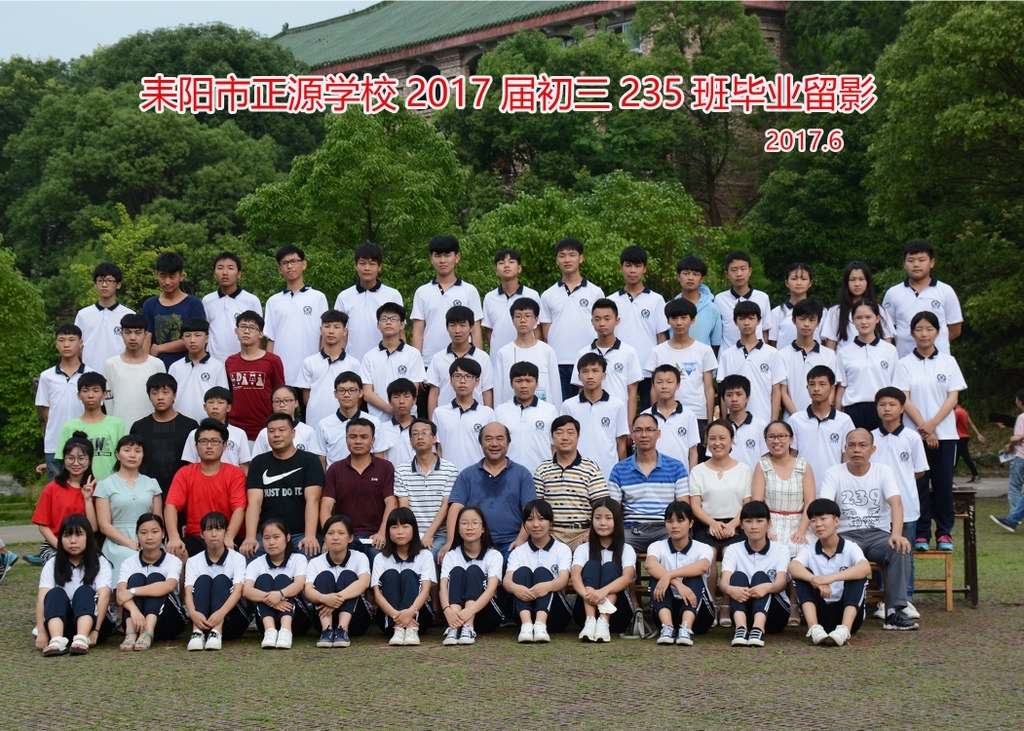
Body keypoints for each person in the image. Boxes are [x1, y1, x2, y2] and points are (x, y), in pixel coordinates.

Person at [819, 429, 919, 631]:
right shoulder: (834, 472)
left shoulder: (883, 471)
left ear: (873, 449)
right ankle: (833, 609)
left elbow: (896, 504)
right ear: (845, 448)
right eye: (852, 445)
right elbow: (825, 507)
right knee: (831, 551)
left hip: (877, 534)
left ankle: (894, 611)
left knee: (900, 548)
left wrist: (896, 534)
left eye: (862, 445)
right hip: (845, 535)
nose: (857, 450)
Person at [895, 311, 967, 552]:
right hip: (913, 436)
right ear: (911, 333)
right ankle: (921, 533)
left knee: (943, 485)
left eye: (929, 329)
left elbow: (952, 398)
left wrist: (933, 425)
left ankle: (944, 532)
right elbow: (904, 398)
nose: (924, 334)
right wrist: (925, 430)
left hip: (945, 434)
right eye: (919, 329)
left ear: (938, 332)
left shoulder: (948, 362)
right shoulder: (904, 364)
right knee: (919, 485)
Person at [689, 419, 753, 625]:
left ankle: (726, 604)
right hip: (706, 524)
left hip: (736, 524)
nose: (717, 443)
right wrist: (712, 524)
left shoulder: (744, 470)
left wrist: (733, 525)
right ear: (706, 441)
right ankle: (709, 603)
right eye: (712, 438)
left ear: (732, 440)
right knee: (708, 555)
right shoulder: (698, 470)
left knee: (730, 554)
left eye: (722, 438)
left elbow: (747, 504)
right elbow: (695, 505)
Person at [444, 422, 536, 560]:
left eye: (500, 438)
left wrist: (521, 540)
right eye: (488, 439)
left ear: (508, 443)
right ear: (481, 443)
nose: (494, 444)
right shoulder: (467, 475)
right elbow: (455, 508)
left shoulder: (522, 474)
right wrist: (451, 541)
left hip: (511, 542)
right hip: (475, 543)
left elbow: (529, 512)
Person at [872, 387, 927, 620]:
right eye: (882, 404)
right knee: (881, 555)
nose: (887, 409)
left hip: (907, 506)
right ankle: (884, 599)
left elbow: (919, 470)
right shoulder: (871, 437)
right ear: (876, 407)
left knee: (906, 553)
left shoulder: (912, 437)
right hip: (878, 508)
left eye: (892, 404)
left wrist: (898, 485)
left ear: (902, 408)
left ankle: (906, 599)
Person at [789, 498, 871, 646]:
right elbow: (793, 567)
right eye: (813, 520)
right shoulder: (809, 549)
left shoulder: (850, 547)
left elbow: (865, 568)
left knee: (857, 576)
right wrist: (816, 581)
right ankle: (814, 628)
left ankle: (844, 630)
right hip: (821, 612)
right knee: (802, 576)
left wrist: (829, 579)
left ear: (836, 521)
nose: (818, 524)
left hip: (846, 612)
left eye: (823, 519)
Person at [242, 412, 324, 559]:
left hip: (301, 534)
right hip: (269, 536)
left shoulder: (309, 461)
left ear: (293, 433)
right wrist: (250, 537)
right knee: (249, 555)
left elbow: (313, 500)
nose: (276, 435)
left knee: (311, 554)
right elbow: (254, 502)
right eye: (271, 431)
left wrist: (310, 536)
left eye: (282, 430)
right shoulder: (259, 463)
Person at [608, 412, 690, 554]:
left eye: (649, 430)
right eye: (638, 430)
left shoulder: (676, 467)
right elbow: (613, 509)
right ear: (632, 435)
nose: (644, 435)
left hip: (666, 528)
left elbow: (683, 506)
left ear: (658, 434)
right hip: (632, 530)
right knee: (613, 549)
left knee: (679, 548)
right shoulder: (619, 469)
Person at [165, 419, 248, 559]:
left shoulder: (235, 473)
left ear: (225, 445)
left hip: (228, 535)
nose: (209, 446)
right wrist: (173, 537)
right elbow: (171, 506)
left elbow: (239, 508)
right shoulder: (185, 473)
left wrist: (228, 537)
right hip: (196, 537)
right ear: (196, 446)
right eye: (203, 442)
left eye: (215, 441)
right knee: (178, 553)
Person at [320, 417, 396, 564]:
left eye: (364, 437)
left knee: (382, 564)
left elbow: (391, 502)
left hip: (376, 537)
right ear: (346, 439)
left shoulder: (385, 467)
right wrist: (329, 536)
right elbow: (325, 506)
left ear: (373, 440)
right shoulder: (335, 469)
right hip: (345, 537)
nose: (358, 441)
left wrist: (382, 532)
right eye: (353, 437)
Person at [35, 515, 113, 656]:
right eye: (67, 536)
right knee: (55, 593)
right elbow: (42, 598)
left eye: (79, 535)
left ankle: (81, 638)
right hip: (64, 623)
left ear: (88, 537)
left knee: (84, 591)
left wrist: (95, 630)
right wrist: (41, 631)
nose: (73, 541)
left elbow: (104, 596)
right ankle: (56, 641)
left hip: (94, 624)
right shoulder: (53, 563)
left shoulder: (100, 562)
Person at [540, 237, 605, 400]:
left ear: (581, 258)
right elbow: (546, 332)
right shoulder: (548, 295)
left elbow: (601, 325)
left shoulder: (595, 292)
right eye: (562, 255)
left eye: (572, 255)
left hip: (588, 362)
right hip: (558, 362)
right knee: (561, 407)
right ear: (557, 260)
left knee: (586, 406)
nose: (567, 259)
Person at [720, 501, 791, 647]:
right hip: (745, 612)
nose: (754, 526)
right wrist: (731, 590)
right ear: (741, 525)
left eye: (759, 521)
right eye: (748, 521)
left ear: (769, 523)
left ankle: (758, 628)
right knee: (737, 576)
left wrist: (767, 587)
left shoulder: (781, 550)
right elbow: (724, 582)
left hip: (775, 616)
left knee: (760, 577)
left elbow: (781, 583)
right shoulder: (733, 549)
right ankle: (740, 629)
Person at [411, 234, 483, 378]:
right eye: (437, 255)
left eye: (447, 255)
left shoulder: (469, 291)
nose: (442, 260)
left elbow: (475, 331)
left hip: (465, 364)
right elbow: (418, 332)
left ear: (457, 257)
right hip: (429, 363)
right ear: (431, 258)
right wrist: (417, 369)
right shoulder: (422, 292)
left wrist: (478, 363)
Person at [645, 299, 716, 444]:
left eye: (684, 318)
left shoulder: (704, 351)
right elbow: (653, 388)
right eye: (674, 318)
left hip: (697, 415)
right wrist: (654, 417)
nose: (679, 323)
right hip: (665, 415)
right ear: (668, 321)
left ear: (693, 320)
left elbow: (709, 388)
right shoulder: (658, 351)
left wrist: (710, 423)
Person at [533, 415, 609, 549]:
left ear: (578, 437)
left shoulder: (590, 468)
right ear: (552, 437)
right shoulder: (543, 469)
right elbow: (536, 506)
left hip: (582, 534)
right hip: (551, 534)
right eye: (559, 433)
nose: (565, 437)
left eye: (570, 433)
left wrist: (591, 532)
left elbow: (602, 504)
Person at [646, 500, 715, 646]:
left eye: (680, 520)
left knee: (694, 576)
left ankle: (686, 628)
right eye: (670, 521)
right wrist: (676, 582)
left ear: (691, 523)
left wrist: (669, 575)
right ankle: (667, 628)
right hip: (666, 612)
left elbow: (703, 567)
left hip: (699, 615)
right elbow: (650, 565)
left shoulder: (703, 547)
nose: (674, 525)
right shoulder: (657, 546)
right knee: (657, 577)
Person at [609, 246, 668, 413]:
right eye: (628, 265)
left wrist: (660, 369)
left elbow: (661, 336)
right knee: (620, 414)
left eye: (637, 266)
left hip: (648, 369)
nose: (632, 270)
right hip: (619, 369)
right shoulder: (611, 301)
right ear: (621, 268)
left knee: (649, 416)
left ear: (645, 269)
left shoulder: (656, 300)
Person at [95, 434, 163, 581]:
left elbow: (158, 520)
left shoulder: (152, 483)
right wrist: (131, 544)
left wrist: (148, 541)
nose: (132, 455)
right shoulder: (105, 485)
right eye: (127, 450)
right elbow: (104, 525)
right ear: (117, 455)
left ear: (143, 455)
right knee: (132, 557)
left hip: (149, 538)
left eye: (137, 451)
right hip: (117, 542)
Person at [504, 499, 573, 643]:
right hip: (524, 614)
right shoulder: (518, 552)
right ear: (524, 524)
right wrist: (516, 588)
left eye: (541, 519)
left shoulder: (562, 549)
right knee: (522, 572)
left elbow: (563, 579)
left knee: (542, 572)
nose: (536, 524)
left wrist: (548, 586)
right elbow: (507, 579)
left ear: (551, 521)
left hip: (555, 616)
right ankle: (526, 626)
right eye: (530, 520)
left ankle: (540, 625)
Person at [115, 513, 187, 650]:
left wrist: (133, 591)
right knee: (136, 577)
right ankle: (130, 633)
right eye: (143, 532)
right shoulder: (129, 562)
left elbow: (168, 586)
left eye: (155, 532)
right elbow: (121, 593)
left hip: (168, 622)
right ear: (137, 535)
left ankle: (148, 632)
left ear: (163, 534)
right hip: (135, 620)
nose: (149, 537)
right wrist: (134, 610)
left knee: (156, 578)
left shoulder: (173, 561)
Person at [883, 240, 963, 359]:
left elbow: (955, 328)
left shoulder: (945, 291)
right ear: (904, 264)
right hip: (904, 358)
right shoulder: (893, 293)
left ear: (932, 262)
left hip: (939, 359)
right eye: (911, 260)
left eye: (921, 260)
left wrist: (931, 343)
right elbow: (887, 329)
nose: (916, 264)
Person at [571, 497, 637, 642]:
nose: (602, 523)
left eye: (608, 518)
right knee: (592, 564)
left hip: (618, 614)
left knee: (610, 566)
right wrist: (589, 595)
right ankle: (590, 621)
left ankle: (603, 621)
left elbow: (627, 578)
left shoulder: (626, 549)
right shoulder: (583, 549)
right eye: (598, 518)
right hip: (583, 613)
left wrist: (602, 592)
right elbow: (575, 576)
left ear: (617, 521)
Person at [394, 418, 460, 559]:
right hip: (411, 533)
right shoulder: (401, 470)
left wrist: (428, 535)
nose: (420, 437)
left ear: (434, 438)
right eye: (415, 434)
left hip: (439, 534)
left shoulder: (450, 469)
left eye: (425, 433)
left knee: (426, 557)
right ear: (410, 441)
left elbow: (445, 507)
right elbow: (404, 507)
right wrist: (413, 536)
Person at [264, 244, 329, 384]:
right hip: (281, 372)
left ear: (303, 264)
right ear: (280, 269)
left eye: (294, 261)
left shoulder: (318, 297)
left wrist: (322, 364)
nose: (290, 266)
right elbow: (271, 338)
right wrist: (269, 368)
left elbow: (324, 336)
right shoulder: (273, 301)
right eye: (285, 263)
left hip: (310, 371)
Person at [183, 511, 249, 650]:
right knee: (204, 579)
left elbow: (238, 591)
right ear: (202, 534)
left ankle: (216, 632)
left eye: (218, 529)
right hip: (202, 620)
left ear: (226, 532)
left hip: (232, 621)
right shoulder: (193, 561)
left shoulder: (237, 558)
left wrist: (221, 613)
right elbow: (188, 592)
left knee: (221, 579)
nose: (214, 534)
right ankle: (197, 632)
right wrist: (193, 614)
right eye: (209, 529)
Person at [569, 298, 643, 422]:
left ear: (617, 321)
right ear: (592, 321)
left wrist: (629, 423)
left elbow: (632, 391)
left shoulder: (628, 352)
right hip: (590, 417)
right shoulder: (583, 353)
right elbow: (581, 388)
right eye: (597, 319)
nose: (602, 323)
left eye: (607, 319)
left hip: (618, 416)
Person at [242, 518, 311, 649]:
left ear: (287, 537)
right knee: (263, 579)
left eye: (276, 537)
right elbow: (246, 590)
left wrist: (279, 594)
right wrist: (270, 599)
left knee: (282, 579)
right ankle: (270, 631)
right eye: (266, 538)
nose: (271, 542)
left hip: (297, 622)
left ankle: (286, 631)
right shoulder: (256, 563)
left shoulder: (298, 559)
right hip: (265, 622)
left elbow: (300, 584)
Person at [439, 506, 504, 645]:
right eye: (464, 523)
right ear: (458, 529)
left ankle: (468, 627)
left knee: (473, 570)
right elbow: (443, 587)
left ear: (483, 528)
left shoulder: (494, 555)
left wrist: (469, 611)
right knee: (457, 571)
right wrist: (447, 611)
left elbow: (491, 589)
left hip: (485, 616)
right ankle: (454, 629)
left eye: (475, 523)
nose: (469, 527)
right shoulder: (451, 556)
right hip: (455, 616)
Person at [751, 421, 815, 560]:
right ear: (766, 441)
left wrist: (801, 531)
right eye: (771, 437)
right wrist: (765, 530)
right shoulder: (762, 466)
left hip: (799, 523)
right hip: (770, 524)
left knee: (802, 551)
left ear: (791, 439)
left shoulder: (803, 466)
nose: (776, 441)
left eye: (781, 436)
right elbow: (757, 503)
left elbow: (810, 502)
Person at [305, 515, 372, 648]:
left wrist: (335, 600)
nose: (335, 537)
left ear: (350, 538)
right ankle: (326, 630)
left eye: (341, 533)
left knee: (348, 575)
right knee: (324, 576)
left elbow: (364, 583)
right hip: (323, 616)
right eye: (330, 533)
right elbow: (308, 590)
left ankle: (343, 630)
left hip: (356, 620)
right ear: (324, 538)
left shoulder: (359, 557)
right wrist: (325, 599)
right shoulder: (316, 562)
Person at [31, 434, 98, 565]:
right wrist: (61, 548)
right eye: (70, 458)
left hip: (84, 546)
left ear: (90, 460)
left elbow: (93, 528)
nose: (75, 463)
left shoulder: (95, 489)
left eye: (81, 458)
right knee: (62, 565)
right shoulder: (52, 488)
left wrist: (88, 499)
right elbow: (43, 526)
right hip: (55, 544)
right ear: (64, 459)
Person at [35, 323, 91, 481]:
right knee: (57, 490)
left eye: (71, 340)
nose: (66, 344)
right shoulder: (46, 376)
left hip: (85, 442)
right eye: (62, 340)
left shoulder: (91, 375)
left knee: (84, 489)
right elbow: (46, 412)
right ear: (56, 344)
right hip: (55, 444)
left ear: (80, 343)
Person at [372, 508, 435, 645]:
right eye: (394, 527)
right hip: (389, 619)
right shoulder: (380, 558)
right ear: (388, 531)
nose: (400, 531)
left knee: (407, 574)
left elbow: (425, 590)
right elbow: (377, 595)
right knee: (391, 574)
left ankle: (411, 630)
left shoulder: (425, 555)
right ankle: (399, 629)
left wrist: (410, 613)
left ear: (414, 529)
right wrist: (397, 617)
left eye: (405, 526)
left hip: (419, 618)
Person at [560, 353, 628, 480]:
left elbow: (621, 444)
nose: (590, 376)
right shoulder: (568, 405)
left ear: (604, 375)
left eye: (595, 371)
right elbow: (563, 441)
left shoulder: (617, 405)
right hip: (575, 473)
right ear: (579, 376)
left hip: (608, 472)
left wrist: (621, 475)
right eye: (585, 371)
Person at [788, 366, 855, 494]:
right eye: (812, 384)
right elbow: (791, 455)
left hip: (834, 487)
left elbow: (847, 457)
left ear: (832, 388)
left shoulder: (844, 420)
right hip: (801, 487)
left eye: (822, 384)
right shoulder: (796, 420)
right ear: (807, 387)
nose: (816, 389)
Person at [835, 299, 899, 430]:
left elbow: (895, 385)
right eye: (859, 318)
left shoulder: (890, 350)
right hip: (854, 410)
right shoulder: (844, 353)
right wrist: (837, 417)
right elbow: (841, 388)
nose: (864, 322)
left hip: (883, 409)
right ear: (853, 320)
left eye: (868, 317)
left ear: (877, 319)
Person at [333, 242, 404, 362]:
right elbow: (339, 333)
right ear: (355, 265)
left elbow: (400, 331)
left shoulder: (392, 295)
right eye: (362, 263)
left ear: (379, 266)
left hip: (386, 360)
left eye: (372, 264)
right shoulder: (344, 297)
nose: (367, 268)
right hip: (352, 362)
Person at [130, 374, 197, 497]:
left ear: (174, 395)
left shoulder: (190, 426)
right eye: (155, 393)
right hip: (146, 492)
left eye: (165, 392)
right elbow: (134, 462)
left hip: (182, 490)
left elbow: (193, 462)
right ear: (149, 396)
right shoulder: (139, 427)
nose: (160, 397)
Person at [224, 310, 286, 444]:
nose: (246, 331)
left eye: (252, 328)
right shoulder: (230, 362)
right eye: (243, 327)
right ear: (236, 331)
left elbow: (280, 394)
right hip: (235, 427)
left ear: (261, 334)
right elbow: (228, 394)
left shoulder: (273, 361)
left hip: (265, 426)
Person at [49, 373, 124, 483]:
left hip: (112, 485)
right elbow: (63, 461)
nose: (90, 395)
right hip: (79, 487)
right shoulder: (69, 427)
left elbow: (124, 458)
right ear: (79, 395)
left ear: (104, 394)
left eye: (95, 390)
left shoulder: (117, 424)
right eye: (85, 391)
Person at [298, 309, 362, 429]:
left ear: (344, 331)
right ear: (321, 329)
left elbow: (358, 397)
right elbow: (306, 398)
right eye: (327, 326)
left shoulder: (353, 363)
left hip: (344, 423)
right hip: (315, 422)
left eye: (336, 327)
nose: (331, 331)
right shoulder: (309, 362)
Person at [717, 300, 779, 425]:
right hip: (733, 423)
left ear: (759, 321)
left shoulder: (772, 353)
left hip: (764, 419)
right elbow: (723, 392)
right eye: (741, 318)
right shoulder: (727, 355)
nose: (746, 323)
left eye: (751, 318)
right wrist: (724, 422)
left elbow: (776, 390)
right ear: (735, 321)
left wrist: (774, 421)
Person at [359, 302, 424, 421]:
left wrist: (400, 409)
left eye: (394, 319)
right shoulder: (369, 357)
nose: (388, 322)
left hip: (407, 419)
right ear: (378, 325)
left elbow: (413, 390)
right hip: (377, 420)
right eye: (384, 319)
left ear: (402, 325)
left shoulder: (413, 354)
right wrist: (390, 409)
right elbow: (367, 394)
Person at [425, 305, 495, 416]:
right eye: (453, 325)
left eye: (463, 325)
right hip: (445, 418)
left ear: (471, 327)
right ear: (447, 327)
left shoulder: (483, 358)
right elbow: (434, 393)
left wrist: (487, 419)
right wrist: (432, 422)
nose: (457, 330)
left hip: (476, 417)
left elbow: (487, 392)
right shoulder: (438, 358)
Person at [493, 297, 562, 407]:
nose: (523, 320)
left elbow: (555, 388)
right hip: (511, 411)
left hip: (543, 412)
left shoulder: (547, 351)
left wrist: (556, 413)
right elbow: (498, 390)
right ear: (512, 320)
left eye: (527, 316)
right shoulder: (504, 353)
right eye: (518, 316)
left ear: (536, 319)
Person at [774, 299, 837, 421]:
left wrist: (822, 414)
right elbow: (783, 391)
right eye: (802, 319)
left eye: (812, 319)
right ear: (794, 320)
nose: (806, 324)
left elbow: (832, 389)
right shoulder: (781, 355)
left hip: (823, 419)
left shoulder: (829, 354)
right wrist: (799, 418)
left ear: (818, 322)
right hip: (792, 420)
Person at [142, 253, 206, 369]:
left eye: (172, 277)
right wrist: (145, 364)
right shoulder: (150, 304)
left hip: (187, 367)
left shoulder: (193, 304)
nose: (167, 282)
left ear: (181, 276)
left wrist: (160, 348)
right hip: (157, 368)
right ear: (156, 275)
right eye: (163, 276)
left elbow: (196, 339)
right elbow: (146, 338)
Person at [311, 371, 387, 468]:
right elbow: (321, 460)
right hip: (335, 477)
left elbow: (379, 457)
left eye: (352, 390)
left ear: (361, 393)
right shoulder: (324, 425)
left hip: (368, 476)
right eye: (341, 390)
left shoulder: (374, 422)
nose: (346, 395)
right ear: (335, 393)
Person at [104, 313, 166, 431]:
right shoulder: (111, 364)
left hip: (150, 429)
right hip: (119, 429)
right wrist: (113, 425)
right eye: (128, 332)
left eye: (138, 333)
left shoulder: (157, 364)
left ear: (145, 334)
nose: (132, 337)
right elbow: (108, 399)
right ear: (121, 333)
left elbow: (163, 397)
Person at [432, 358, 496, 472]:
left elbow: (491, 447)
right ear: (451, 381)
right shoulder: (440, 413)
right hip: (448, 475)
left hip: (478, 474)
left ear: (477, 381)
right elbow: (439, 448)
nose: (462, 381)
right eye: (458, 376)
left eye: (468, 376)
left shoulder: (487, 413)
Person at [496, 361, 559, 474]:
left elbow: (555, 445)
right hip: (507, 474)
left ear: (537, 383)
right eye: (518, 381)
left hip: (541, 474)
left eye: (529, 381)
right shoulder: (500, 411)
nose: (524, 385)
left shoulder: (550, 410)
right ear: (511, 384)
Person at [201, 251, 263, 363]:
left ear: (239, 273)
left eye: (230, 268)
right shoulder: (207, 300)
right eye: (220, 268)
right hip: (213, 362)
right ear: (214, 273)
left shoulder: (251, 300)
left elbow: (258, 335)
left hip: (242, 362)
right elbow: (203, 333)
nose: (225, 272)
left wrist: (254, 362)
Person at [482, 248, 541, 366]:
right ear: (496, 271)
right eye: (501, 263)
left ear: (519, 268)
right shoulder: (490, 297)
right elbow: (488, 331)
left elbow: (537, 329)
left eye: (511, 262)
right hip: (498, 358)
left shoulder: (532, 295)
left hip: (527, 357)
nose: (506, 265)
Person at [166, 317, 229, 424]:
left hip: (207, 425)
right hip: (178, 425)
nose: (192, 340)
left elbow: (223, 398)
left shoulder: (217, 367)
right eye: (188, 336)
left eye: (198, 335)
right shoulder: (175, 367)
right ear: (182, 340)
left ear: (207, 338)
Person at [75, 262, 134, 372]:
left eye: (109, 281)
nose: (104, 285)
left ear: (118, 284)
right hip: (90, 374)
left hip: (121, 373)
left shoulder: (129, 315)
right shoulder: (83, 315)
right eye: (100, 280)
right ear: (95, 284)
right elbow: (77, 345)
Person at [823, 261, 895, 349]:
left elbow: (887, 342)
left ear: (867, 281)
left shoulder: (879, 310)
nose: (857, 284)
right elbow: (830, 347)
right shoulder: (836, 312)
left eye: (861, 279)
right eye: (852, 280)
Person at [181, 387, 251, 472]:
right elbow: (191, 463)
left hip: (232, 479)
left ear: (228, 407)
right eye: (211, 402)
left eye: (220, 403)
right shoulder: (194, 434)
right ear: (205, 407)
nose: (215, 407)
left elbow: (244, 465)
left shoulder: (239, 434)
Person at [646, 364, 700, 468]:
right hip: (653, 474)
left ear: (678, 385)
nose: (664, 386)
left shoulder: (688, 415)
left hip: (680, 475)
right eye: (659, 382)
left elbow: (693, 451)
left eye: (669, 382)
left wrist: (692, 476)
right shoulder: (646, 416)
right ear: (653, 385)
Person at [715, 251, 772, 347]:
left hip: (756, 353)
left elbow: (765, 330)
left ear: (750, 271)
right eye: (734, 270)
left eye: (743, 269)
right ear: (727, 274)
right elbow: (717, 332)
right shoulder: (720, 299)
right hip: (728, 353)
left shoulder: (762, 297)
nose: (739, 274)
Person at [715, 375, 768, 470]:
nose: (734, 399)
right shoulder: (718, 427)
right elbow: (713, 458)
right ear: (723, 399)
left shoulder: (760, 425)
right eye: (729, 395)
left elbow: (766, 457)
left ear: (747, 397)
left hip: (754, 478)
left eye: (739, 394)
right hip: (726, 477)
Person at [674, 255, 722, 352]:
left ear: (702, 278)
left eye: (695, 274)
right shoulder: (670, 307)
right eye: (686, 273)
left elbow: (715, 344)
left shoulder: (712, 309)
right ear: (678, 276)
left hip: (704, 361)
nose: (690, 278)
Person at [991, 389, 1024, 531]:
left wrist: (1012, 442)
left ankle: (1013, 518)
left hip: (1021, 457)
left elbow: (1017, 438)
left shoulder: (1022, 417)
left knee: (1015, 487)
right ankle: (1013, 519)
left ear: (1020, 401)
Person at [250, 385, 315, 457]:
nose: (281, 405)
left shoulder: (308, 431)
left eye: (286, 400)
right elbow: (257, 460)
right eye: (277, 401)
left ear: (296, 403)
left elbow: (313, 459)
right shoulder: (264, 433)